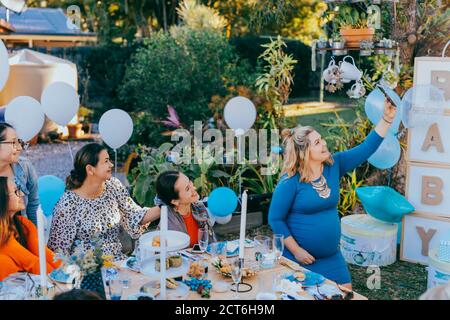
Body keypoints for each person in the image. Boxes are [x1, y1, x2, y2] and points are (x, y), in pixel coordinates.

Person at [268, 100, 397, 289]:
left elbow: (366, 149)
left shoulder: (334, 165)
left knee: (344, 293)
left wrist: (386, 119)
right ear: (304, 153)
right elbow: (275, 219)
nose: (324, 143)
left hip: (331, 258)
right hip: (299, 259)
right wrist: (297, 252)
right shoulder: (290, 181)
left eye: (322, 139)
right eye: (317, 142)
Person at [48, 143, 161, 261]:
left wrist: (164, 206)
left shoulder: (113, 186)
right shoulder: (68, 205)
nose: (111, 164)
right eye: (106, 161)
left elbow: (134, 215)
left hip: (118, 264)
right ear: (90, 169)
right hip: (88, 272)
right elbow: (58, 253)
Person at [0, 176, 60, 281]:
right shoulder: (2, 232)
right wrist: (57, 279)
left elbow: (43, 252)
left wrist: (65, 270)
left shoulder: (23, 223)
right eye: (16, 191)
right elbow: (29, 262)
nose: (22, 194)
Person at [155, 170, 217, 247]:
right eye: (187, 188)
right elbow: (173, 256)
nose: (194, 188)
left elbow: (211, 243)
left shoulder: (199, 207)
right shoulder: (169, 224)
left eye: (190, 182)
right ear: (175, 201)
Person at [0, 123, 39, 225]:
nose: (20, 148)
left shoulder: (24, 167)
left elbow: (33, 205)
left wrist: (35, 236)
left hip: (20, 232)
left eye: (19, 142)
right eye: (13, 142)